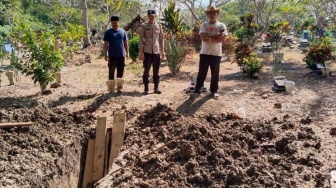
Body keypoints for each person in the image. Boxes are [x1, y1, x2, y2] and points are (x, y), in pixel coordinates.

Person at [190, 6, 227, 99]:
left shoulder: (221, 25)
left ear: (217, 14)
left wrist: (209, 37)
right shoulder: (204, 25)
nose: (212, 14)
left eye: (214, 13)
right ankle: (197, 90)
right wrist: (216, 36)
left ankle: (213, 91)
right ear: (207, 15)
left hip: (216, 54)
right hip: (204, 53)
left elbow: (222, 39)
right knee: (202, 73)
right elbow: (203, 37)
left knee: (215, 74)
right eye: (210, 13)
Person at [138, 10, 165, 94]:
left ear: (155, 16)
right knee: (146, 70)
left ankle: (156, 88)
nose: (151, 17)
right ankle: (146, 88)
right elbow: (141, 39)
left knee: (156, 71)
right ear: (147, 16)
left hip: (156, 52)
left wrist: (162, 51)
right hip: (147, 51)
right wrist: (141, 52)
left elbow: (161, 39)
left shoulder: (159, 26)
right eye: (149, 16)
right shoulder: (144, 26)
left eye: (152, 16)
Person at [103, 16, 129, 92]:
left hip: (121, 55)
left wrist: (127, 52)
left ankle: (119, 87)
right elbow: (106, 44)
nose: (114, 24)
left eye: (116, 22)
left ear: (118, 23)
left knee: (120, 72)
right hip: (112, 55)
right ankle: (111, 88)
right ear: (111, 23)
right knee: (111, 71)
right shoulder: (108, 32)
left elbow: (125, 43)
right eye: (113, 22)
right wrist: (105, 54)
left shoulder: (122, 31)